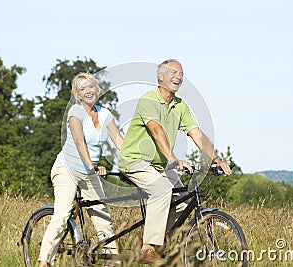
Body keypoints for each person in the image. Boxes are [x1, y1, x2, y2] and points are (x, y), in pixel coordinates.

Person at [118, 59, 232, 264]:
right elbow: (156, 130)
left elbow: (195, 133)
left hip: (160, 165)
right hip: (136, 161)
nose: (179, 76)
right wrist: (173, 158)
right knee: (162, 191)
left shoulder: (180, 105)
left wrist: (215, 158)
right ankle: (148, 248)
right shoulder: (148, 100)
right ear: (160, 77)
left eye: (181, 73)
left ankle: (152, 243)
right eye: (173, 72)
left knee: (183, 205)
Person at [38, 73, 124, 267]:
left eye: (90, 87)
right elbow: (79, 141)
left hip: (89, 172)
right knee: (62, 215)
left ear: (97, 89)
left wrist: (137, 161)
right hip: (68, 168)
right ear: (77, 94)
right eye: (82, 88)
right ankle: (44, 261)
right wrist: (92, 166)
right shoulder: (75, 111)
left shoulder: (105, 114)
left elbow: (119, 141)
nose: (88, 91)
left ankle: (113, 264)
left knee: (103, 218)